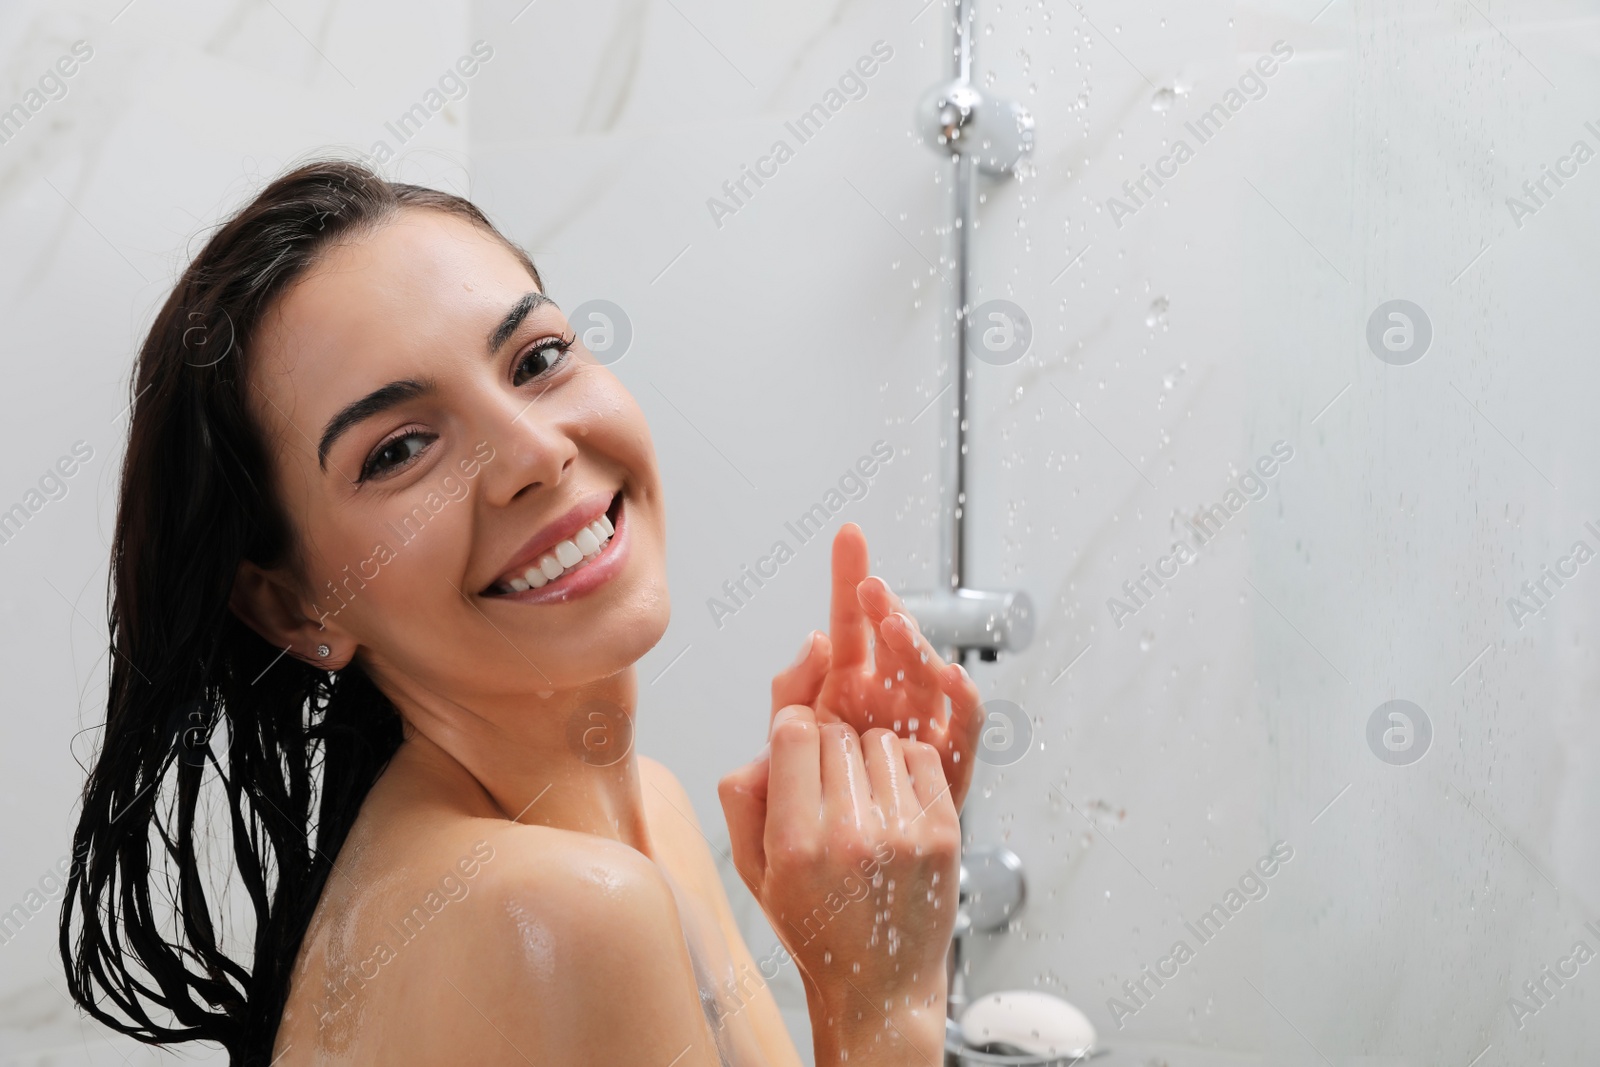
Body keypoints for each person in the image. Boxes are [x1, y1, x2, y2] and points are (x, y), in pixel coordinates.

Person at [59, 160, 986, 1065]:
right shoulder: (551, 911)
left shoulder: (641, 819)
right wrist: (881, 998)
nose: (535, 453)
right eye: (401, 449)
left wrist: (858, 903)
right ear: (296, 606)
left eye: (537, 358)